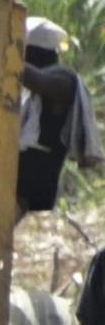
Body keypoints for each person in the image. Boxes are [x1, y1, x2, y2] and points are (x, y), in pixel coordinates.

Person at [17, 16, 103, 217]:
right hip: (25, 173)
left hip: (34, 174)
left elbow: (37, 80)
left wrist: (6, 54)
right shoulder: (49, 79)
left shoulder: (63, 79)